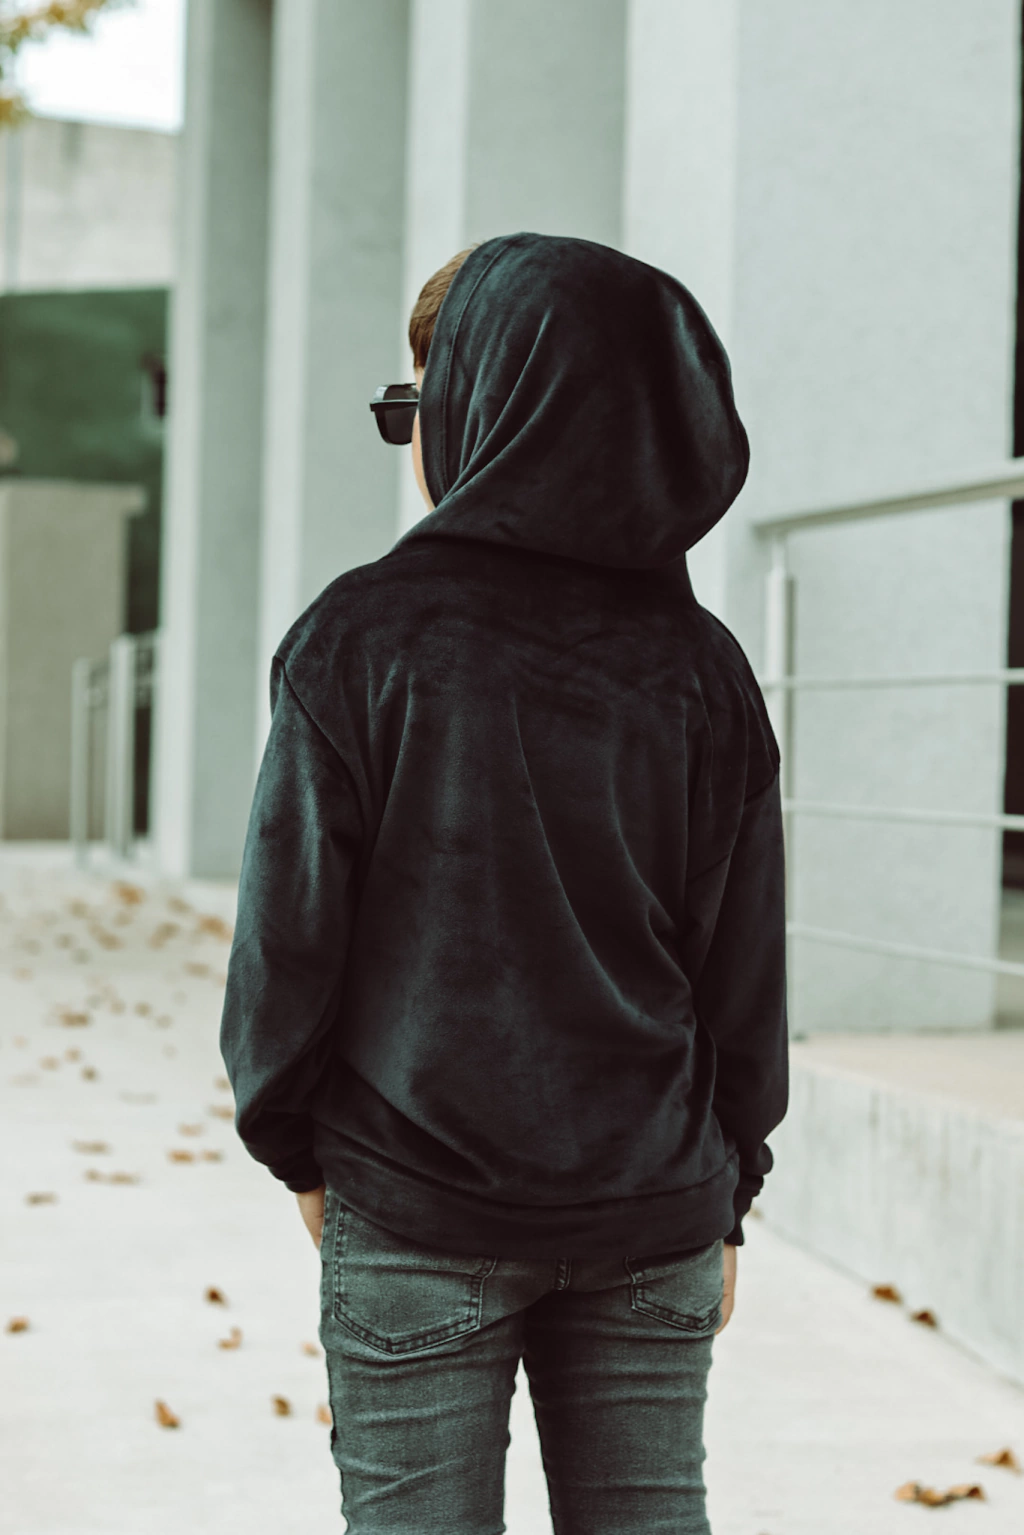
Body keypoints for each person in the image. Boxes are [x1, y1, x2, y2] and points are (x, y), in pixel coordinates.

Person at [219, 231, 788, 1535]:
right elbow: (743, 972)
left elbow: (287, 946)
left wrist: (297, 1147)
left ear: (489, 408)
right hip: (654, 1207)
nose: (416, 439)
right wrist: (730, 1188)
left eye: (417, 408)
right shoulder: (704, 669)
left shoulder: (362, 639)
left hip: (415, 1204)